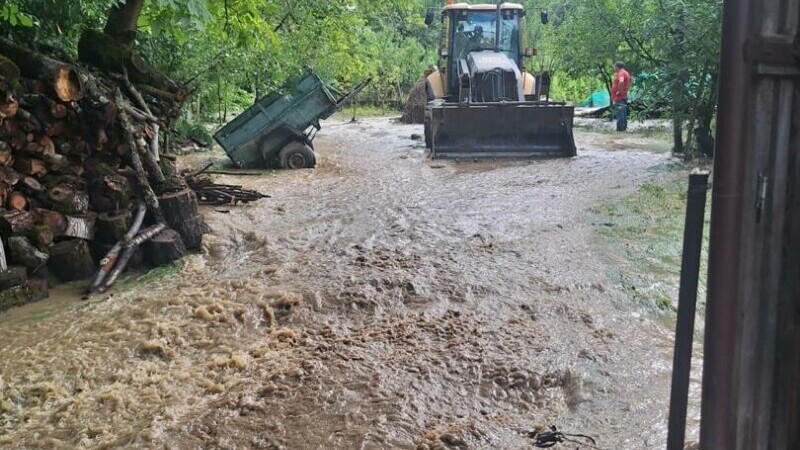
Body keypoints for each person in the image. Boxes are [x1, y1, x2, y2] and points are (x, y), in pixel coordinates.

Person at [612, 61, 632, 131]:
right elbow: (630, 81)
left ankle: (620, 129)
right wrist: (625, 90)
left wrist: (619, 91)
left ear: (617, 67)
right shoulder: (626, 73)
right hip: (623, 96)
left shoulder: (621, 73)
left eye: (614, 66)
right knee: (623, 113)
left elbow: (621, 81)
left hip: (620, 97)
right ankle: (623, 129)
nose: (614, 68)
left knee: (620, 113)